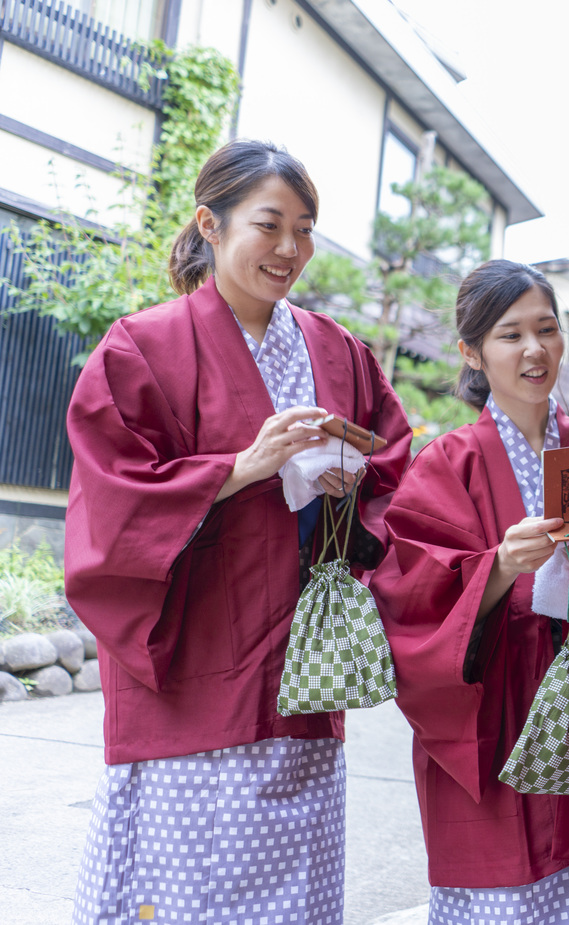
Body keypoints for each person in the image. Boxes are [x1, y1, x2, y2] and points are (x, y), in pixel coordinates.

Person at [64, 140, 413, 924]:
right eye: (269, 224)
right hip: (194, 662)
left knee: (292, 886)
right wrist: (239, 468)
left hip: (302, 663)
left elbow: (396, 472)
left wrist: (352, 486)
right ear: (210, 225)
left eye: (306, 227)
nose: (291, 248)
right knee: (183, 889)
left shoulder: (339, 351)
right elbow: (113, 501)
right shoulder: (141, 346)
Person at [369, 259, 569, 925]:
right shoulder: (445, 466)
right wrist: (498, 568)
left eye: (547, 329)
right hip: (495, 738)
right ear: (472, 351)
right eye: (510, 335)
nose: (534, 350)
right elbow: (408, 597)